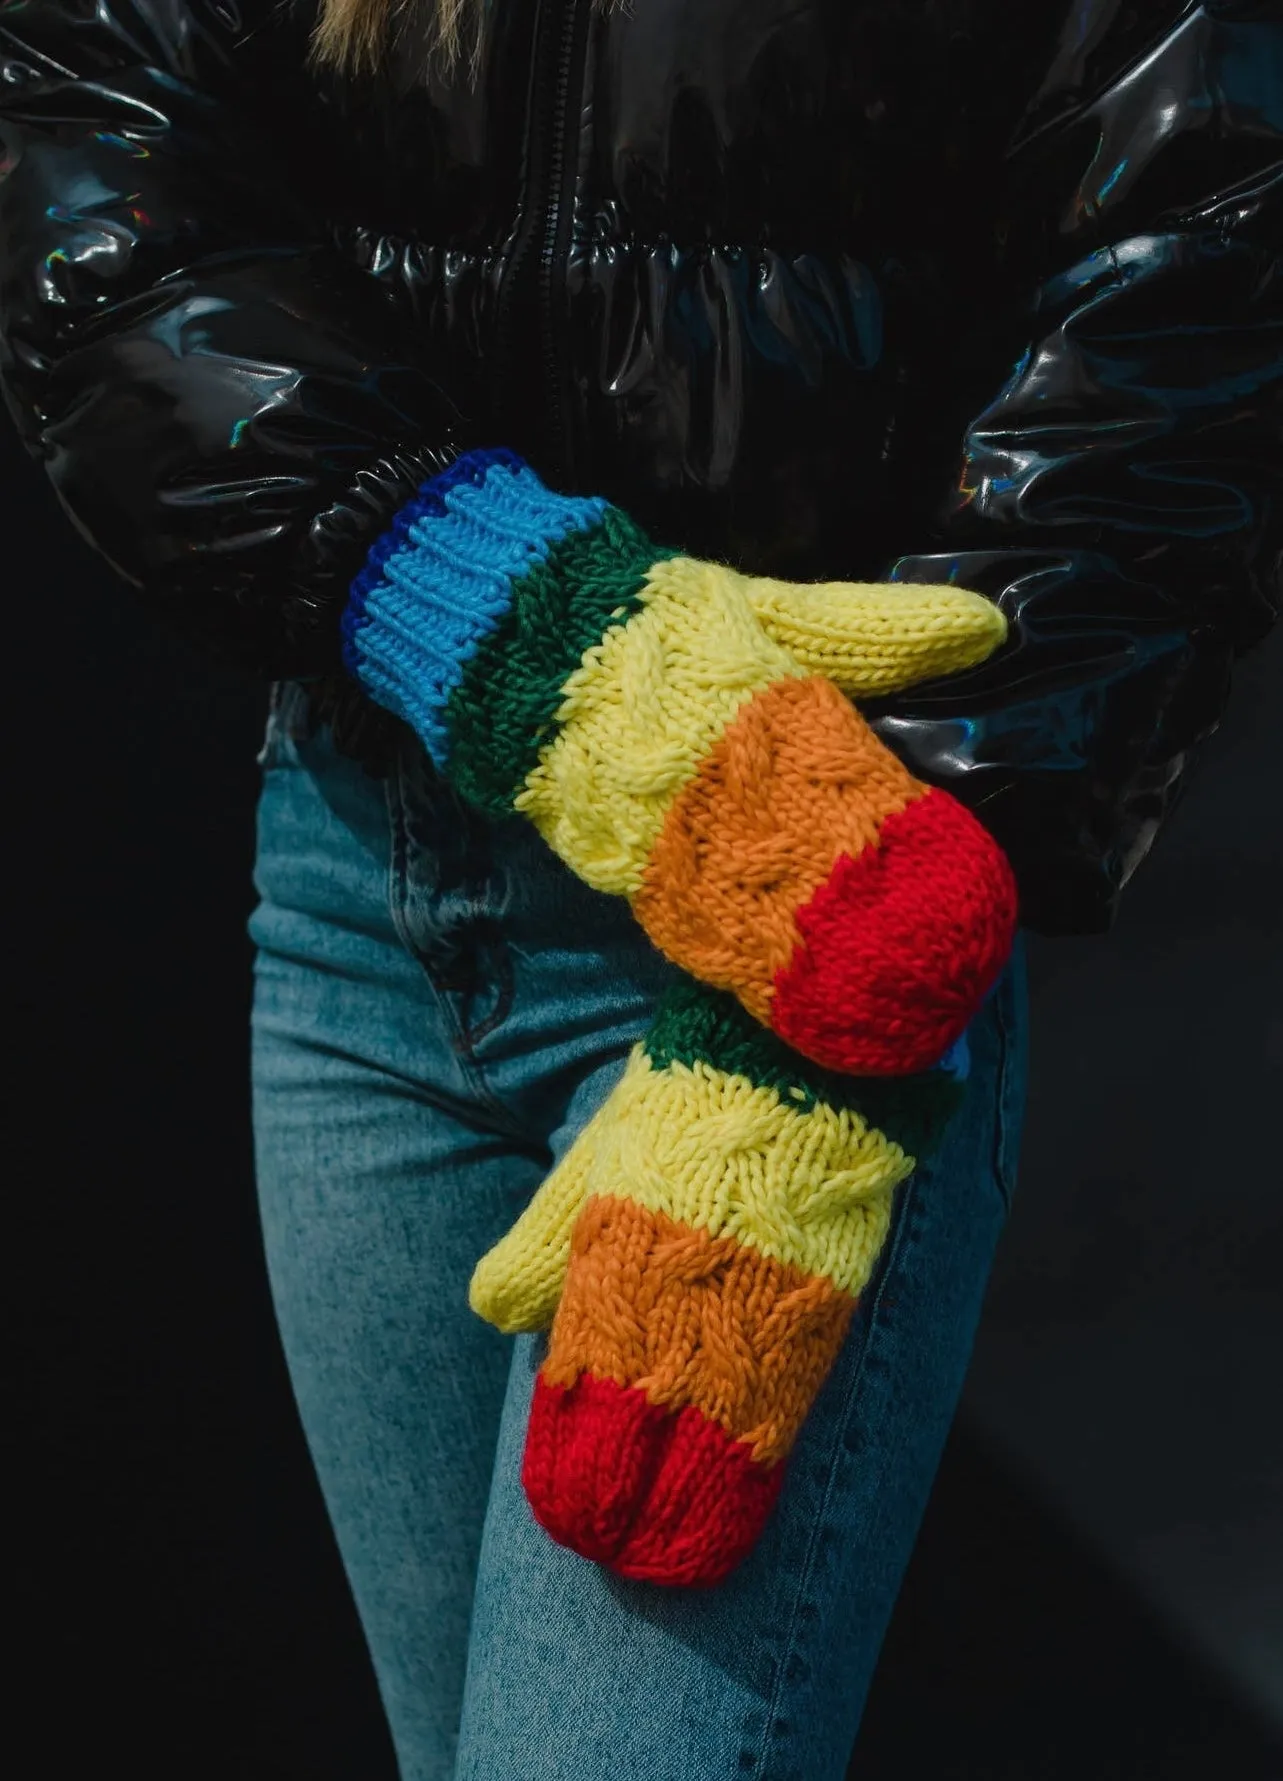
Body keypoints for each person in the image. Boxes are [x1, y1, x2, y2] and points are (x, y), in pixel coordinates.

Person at [1, 1, 1277, 1775]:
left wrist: (846, 982)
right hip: (359, 891)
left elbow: (1201, 268)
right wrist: (529, 633)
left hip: (815, 893)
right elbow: (90, 155)